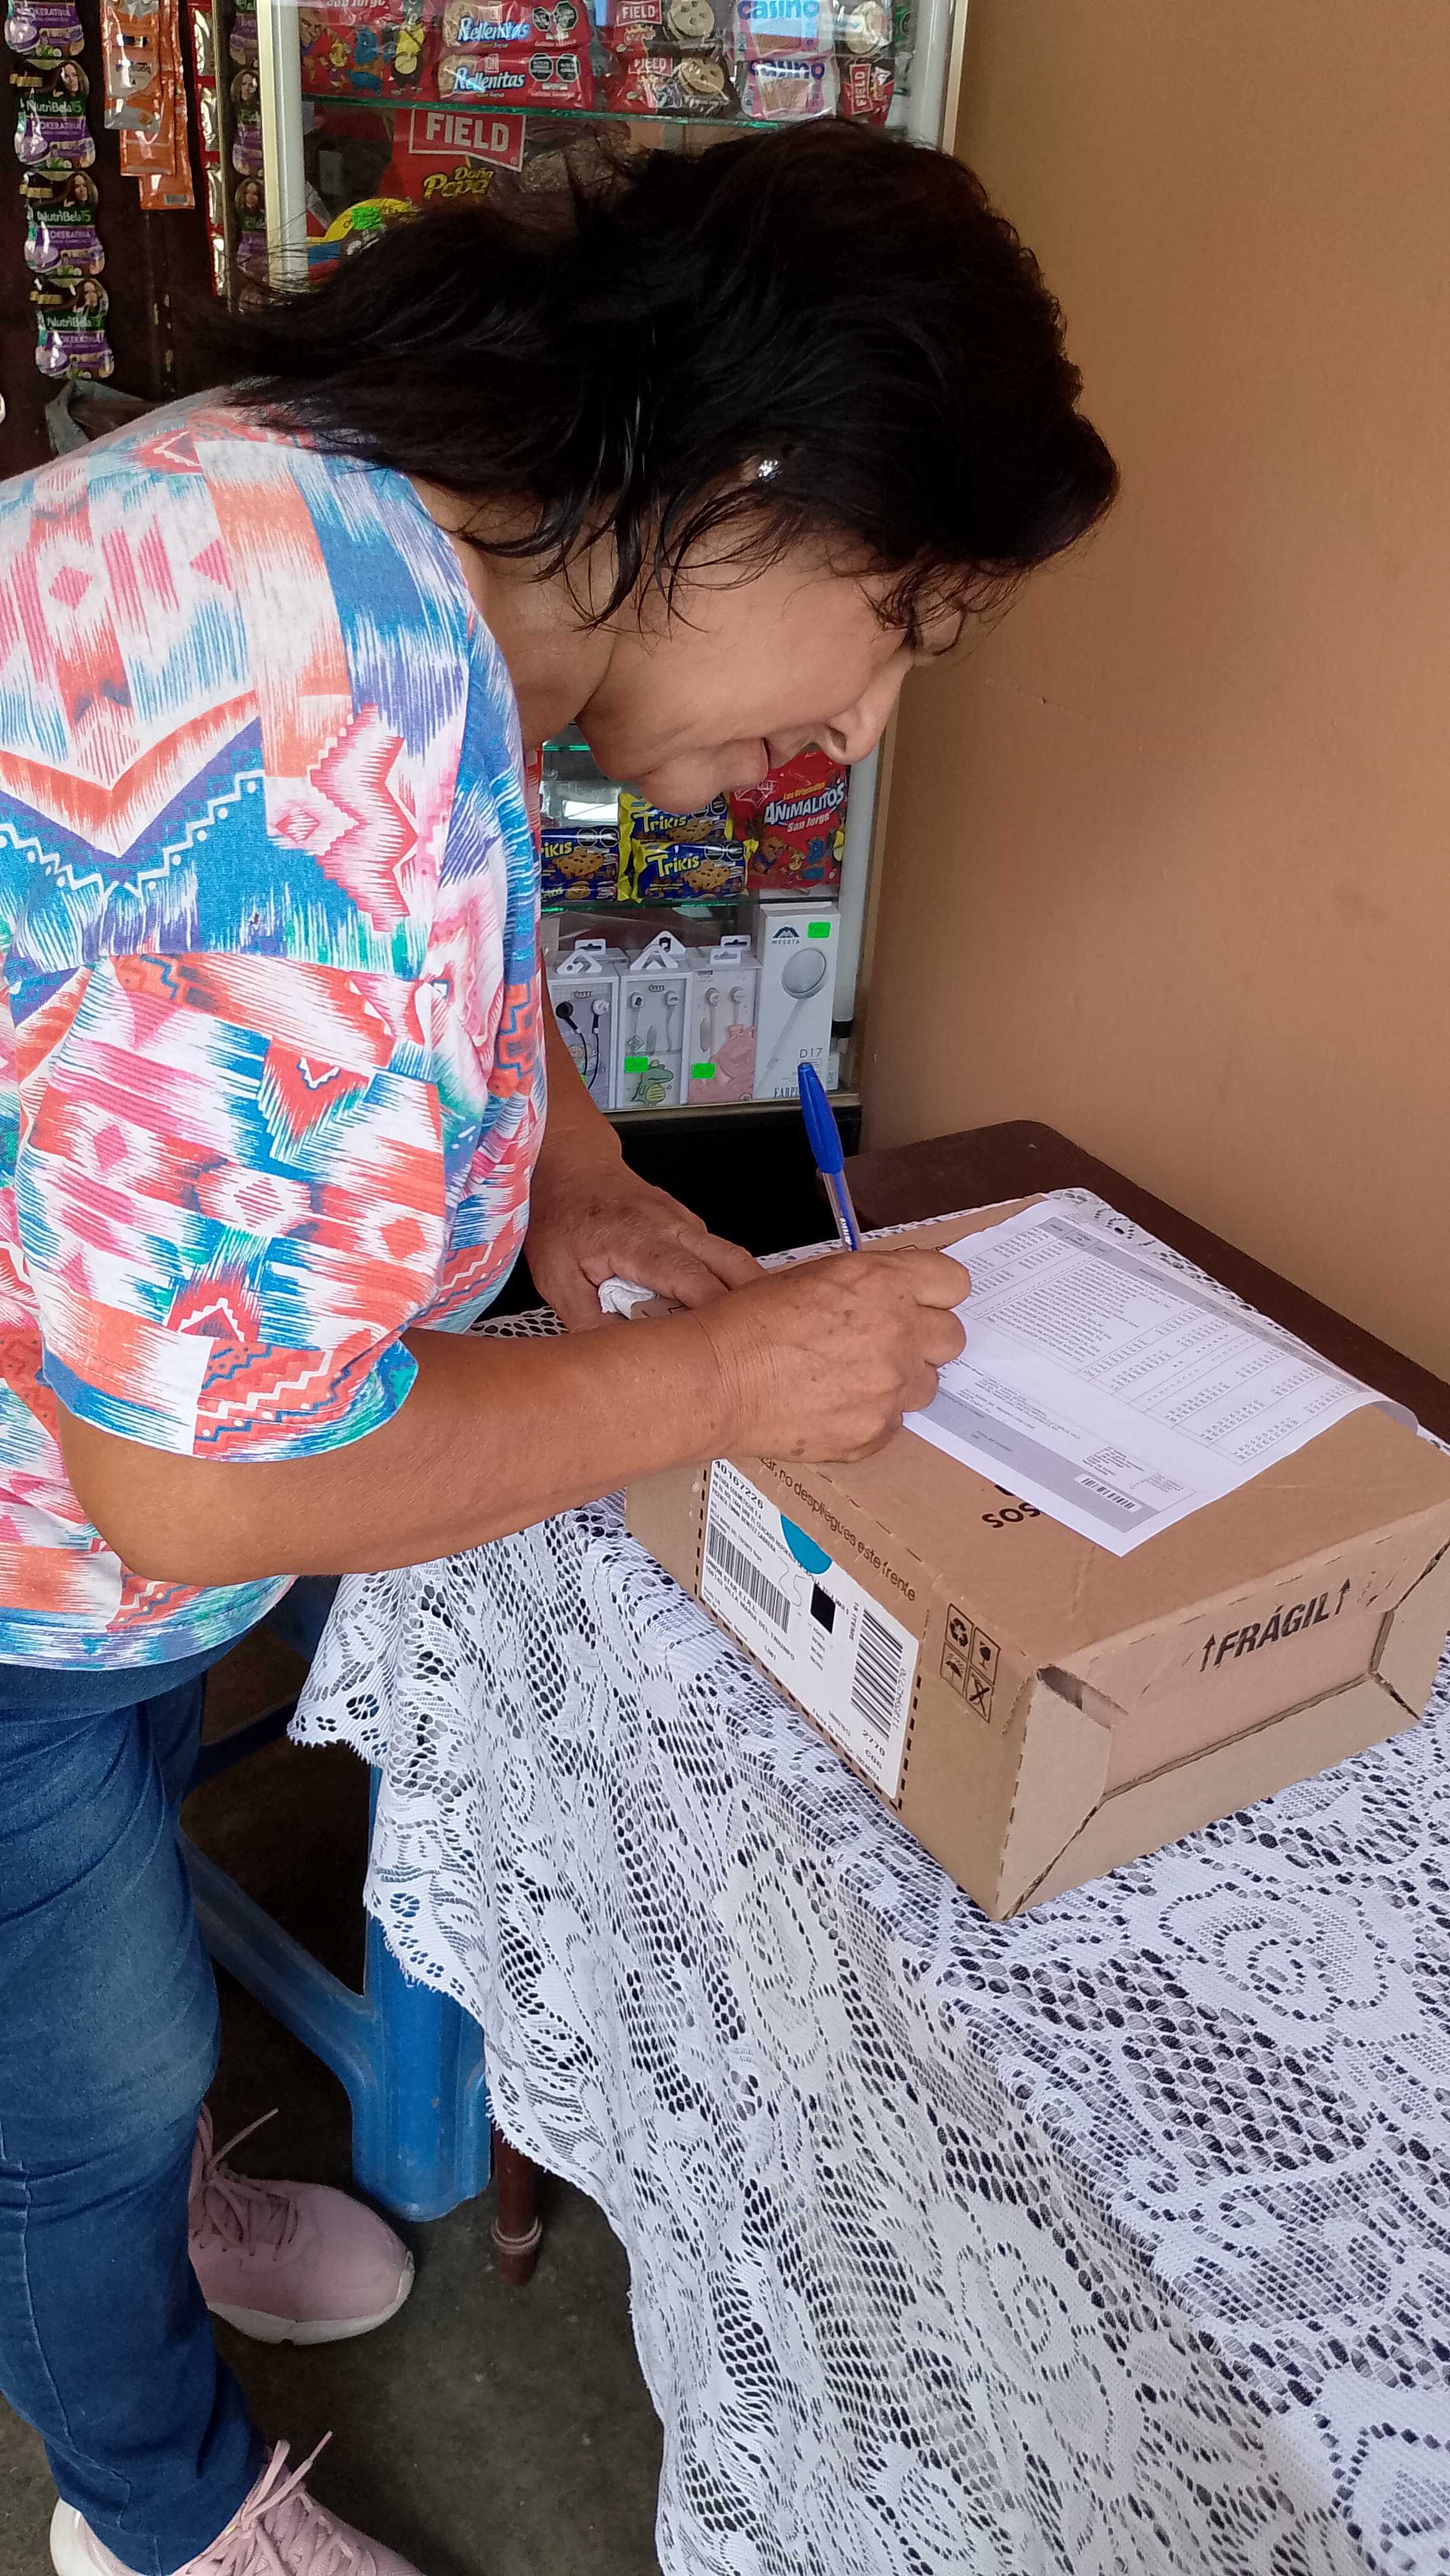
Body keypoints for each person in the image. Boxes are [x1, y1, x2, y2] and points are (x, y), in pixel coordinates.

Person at [0, 123, 1115, 2576]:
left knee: (94, 1998)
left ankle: (123, 2193)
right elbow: (196, 1483)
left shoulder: (372, 531)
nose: (863, 724)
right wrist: (731, 1384)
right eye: (901, 627)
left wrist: (577, 1181)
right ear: (754, 486)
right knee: (74, 2079)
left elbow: (448, 965)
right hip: (30, 1569)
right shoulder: (318, 741)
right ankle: (155, 2505)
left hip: (67, 1497)